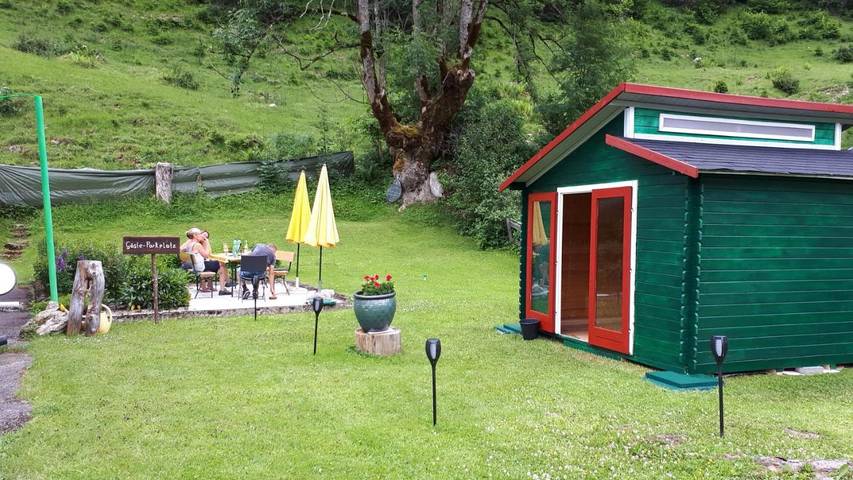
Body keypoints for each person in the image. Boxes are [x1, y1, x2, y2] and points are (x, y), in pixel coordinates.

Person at [182, 227, 231, 295]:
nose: (201, 235)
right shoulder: (197, 245)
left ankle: (217, 286)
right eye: (199, 234)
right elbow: (206, 255)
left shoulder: (189, 244)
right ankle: (222, 289)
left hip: (195, 266)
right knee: (221, 264)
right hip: (200, 267)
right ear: (195, 235)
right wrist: (207, 242)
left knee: (217, 264)